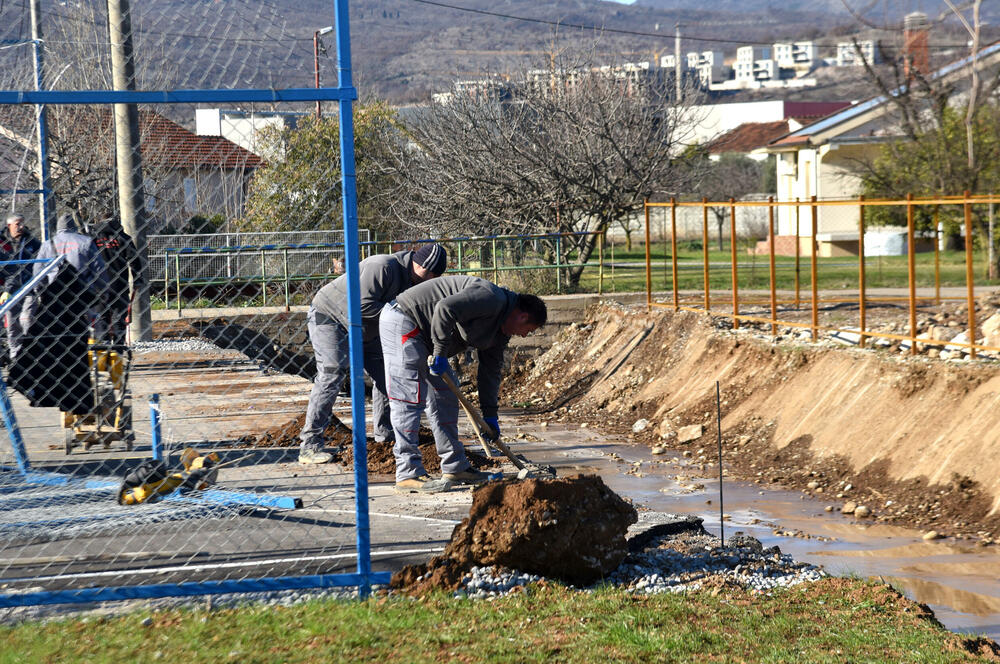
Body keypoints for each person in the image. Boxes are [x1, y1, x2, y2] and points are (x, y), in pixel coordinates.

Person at [379, 274, 547, 493]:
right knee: (408, 398)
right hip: (405, 319)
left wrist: (490, 415)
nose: (525, 336)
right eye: (530, 330)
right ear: (523, 316)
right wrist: (440, 352)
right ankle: (407, 472)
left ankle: (455, 467)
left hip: (427, 337)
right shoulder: (491, 298)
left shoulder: (501, 331)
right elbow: (445, 308)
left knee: (446, 395)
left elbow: (490, 372)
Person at [298, 243, 449, 464]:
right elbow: (360, 306)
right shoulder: (383, 266)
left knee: (391, 373)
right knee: (333, 372)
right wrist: (402, 317)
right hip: (330, 317)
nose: (429, 280)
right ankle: (310, 445)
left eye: (435, 277)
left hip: (367, 329)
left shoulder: (417, 280)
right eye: (429, 273)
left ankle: (385, 435)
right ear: (417, 262)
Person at [20, 212, 109, 339]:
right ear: (73, 227)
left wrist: (40, 290)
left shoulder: (48, 244)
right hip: (82, 291)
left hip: (54, 293)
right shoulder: (86, 241)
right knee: (92, 322)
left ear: (58, 227)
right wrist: (103, 289)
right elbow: (98, 268)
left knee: (55, 326)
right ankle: (96, 346)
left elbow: (38, 270)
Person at [92, 215, 142, 345]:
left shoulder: (93, 238)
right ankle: (118, 353)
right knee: (119, 319)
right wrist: (137, 279)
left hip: (99, 285)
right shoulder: (123, 238)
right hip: (119, 285)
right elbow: (134, 260)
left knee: (101, 319)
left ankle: (104, 352)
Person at [0, 213, 41, 357]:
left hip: (29, 287)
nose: (21, 227)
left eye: (22, 223)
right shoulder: (2, 242)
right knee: (11, 322)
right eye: (18, 224)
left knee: (26, 319)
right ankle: (14, 353)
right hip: (9, 289)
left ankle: (27, 350)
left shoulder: (31, 242)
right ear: (9, 225)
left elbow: (40, 259)